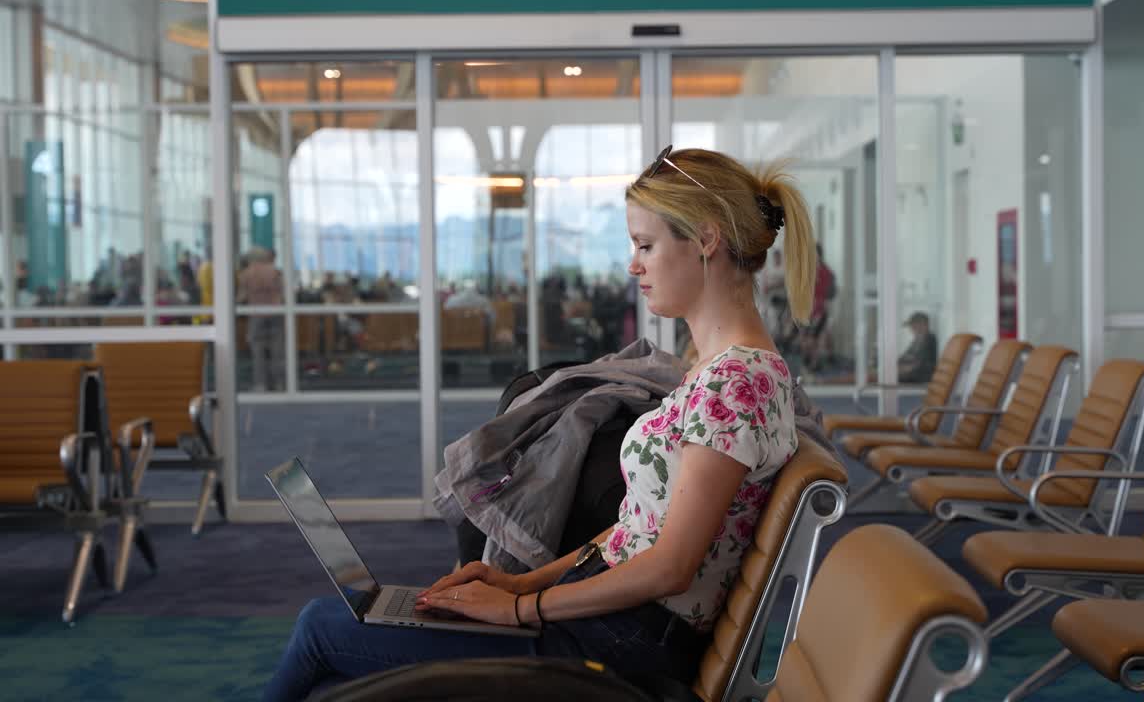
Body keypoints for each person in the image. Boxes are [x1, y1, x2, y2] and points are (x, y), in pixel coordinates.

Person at [262, 146, 818, 701]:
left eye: (646, 245)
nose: (633, 265)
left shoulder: (739, 383)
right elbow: (637, 528)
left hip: (619, 642)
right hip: (610, 618)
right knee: (341, 665)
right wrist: (516, 581)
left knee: (320, 632)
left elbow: (670, 567)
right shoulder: (719, 372)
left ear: (706, 239)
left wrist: (520, 608)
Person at [237, 247, 285, 391]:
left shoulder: (246, 274)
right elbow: (283, 294)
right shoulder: (276, 272)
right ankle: (279, 384)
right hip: (276, 313)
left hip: (256, 315)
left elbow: (242, 297)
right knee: (278, 351)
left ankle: (260, 384)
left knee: (258, 352)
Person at [897, 311, 939, 384]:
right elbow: (905, 357)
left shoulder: (930, 339)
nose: (911, 329)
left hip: (921, 379)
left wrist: (903, 369)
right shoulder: (917, 340)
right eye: (911, 326)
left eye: (913, 325)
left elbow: (921, 363)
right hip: (913, 376)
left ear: (923, 325)